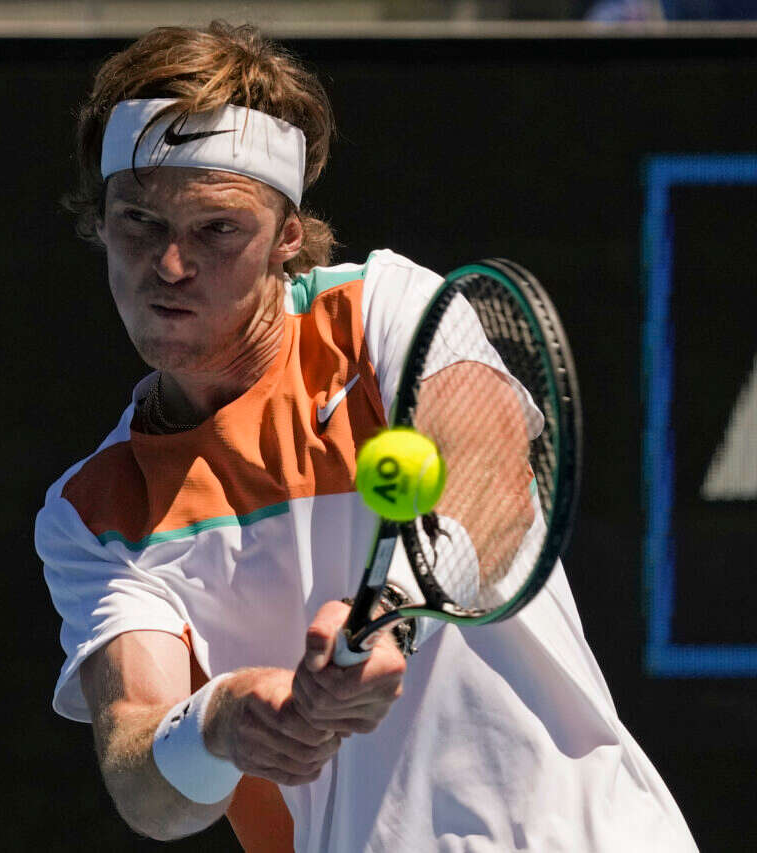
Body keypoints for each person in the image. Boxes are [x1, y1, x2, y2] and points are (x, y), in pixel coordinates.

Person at [37, 21, 698, 852]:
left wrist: (389, 615)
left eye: (217, 229)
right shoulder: (94, 512)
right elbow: (144, 778)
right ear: (100, 222)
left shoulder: (383, 310)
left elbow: (493, 481)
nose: (169, 265)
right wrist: (221, 723)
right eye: (139, 220)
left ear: (287, 237)